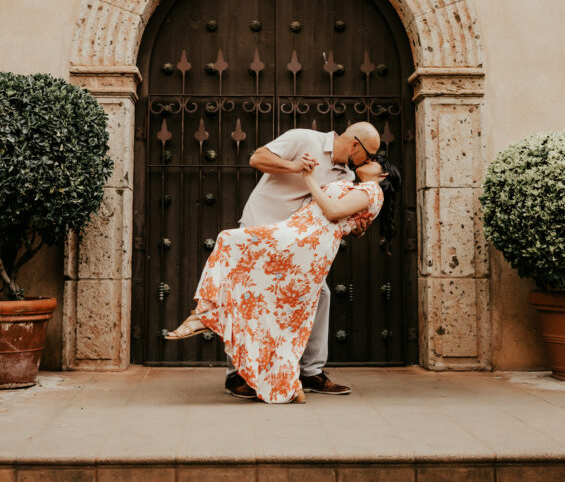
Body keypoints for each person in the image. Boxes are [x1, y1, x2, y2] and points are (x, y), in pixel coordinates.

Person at [165, 152, 400, 403]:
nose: (366, 161)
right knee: (282, 314)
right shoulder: (357, 186)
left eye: (373, 161)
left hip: (304, 241)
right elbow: (347, 220)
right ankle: (284, 381)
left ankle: (208, 313)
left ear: (383, 173)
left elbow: (333, 212)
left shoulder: (373, 190)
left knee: (229, 241)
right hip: (302, 237)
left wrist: (308, 177)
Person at [228, 122, 383, 398]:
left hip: (295, 244)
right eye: (369, 155)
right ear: (355, 144)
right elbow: (257, 158)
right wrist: (294, 166)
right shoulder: (304, 139)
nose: (368, 161)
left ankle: (311, 372)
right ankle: (237, 375)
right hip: (260, 227)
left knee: (321, 295)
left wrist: (356, 228)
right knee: (249, 298)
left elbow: (333, 211)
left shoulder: (347, 176)